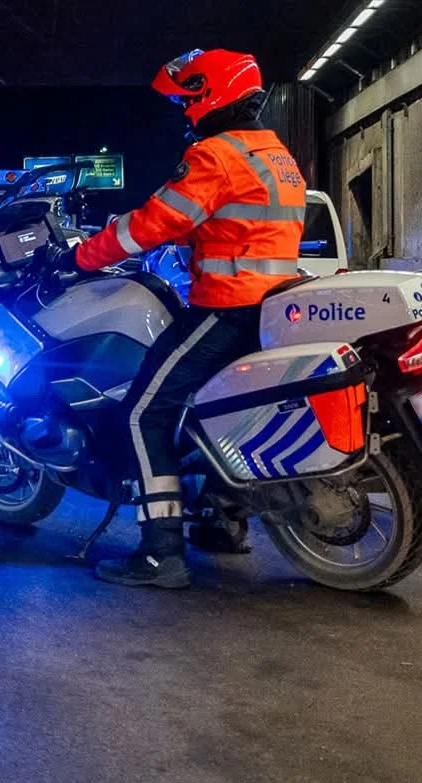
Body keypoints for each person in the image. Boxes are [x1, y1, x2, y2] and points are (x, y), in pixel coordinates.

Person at [53, 49, 307, 588]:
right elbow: (229, 222)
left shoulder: (215, 155)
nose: (183, 113)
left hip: (230, 308)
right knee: (213, 413)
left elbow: (151, 224)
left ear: (210, 94)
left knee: (144, 413)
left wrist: (78, 257)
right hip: (270, 307)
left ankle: (159, 553)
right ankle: (222, 523)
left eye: (185, 101)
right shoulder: (274, 154)